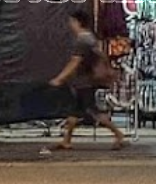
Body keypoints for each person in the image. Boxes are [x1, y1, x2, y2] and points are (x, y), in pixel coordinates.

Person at [49, 10, 127, 150]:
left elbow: (75, 61)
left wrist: (60, 78)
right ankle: (67, 140)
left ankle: (118, 134)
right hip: (85, 80)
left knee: (93, 111)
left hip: (85, 81)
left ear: (78, 22)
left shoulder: (83, 40)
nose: (70, 25)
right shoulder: (91, 38)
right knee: (74, 111)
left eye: (72, 22)